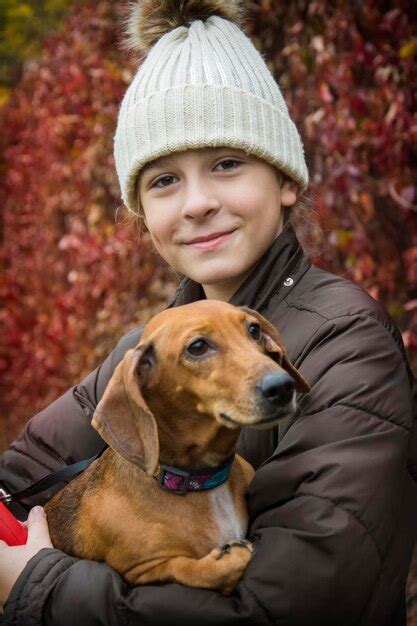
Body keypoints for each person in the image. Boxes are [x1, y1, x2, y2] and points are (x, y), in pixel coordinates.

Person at [1, 1, 416, 624]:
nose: (196, 203)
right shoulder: (147, 350)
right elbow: (19, 475)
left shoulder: (346, 343)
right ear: (143, 216)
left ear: (285, 181)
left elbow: (281, 610)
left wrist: (38, 585)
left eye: (227, 164)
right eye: (164, 180)